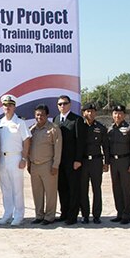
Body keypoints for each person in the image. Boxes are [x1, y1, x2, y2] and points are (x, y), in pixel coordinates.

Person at [0, 94, 31, 226]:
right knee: (5, 188)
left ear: (14, 106)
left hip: (16, 157)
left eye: (10, 105)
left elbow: (27, 140)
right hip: (2, 159)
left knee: (17, 188)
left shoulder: (20, 122)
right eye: (5, 105)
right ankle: (7, 213)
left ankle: (19, 214)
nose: (7, 107)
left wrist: (24, 158)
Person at [28, 104, 62, 225]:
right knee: (37, 192)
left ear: (47, 115)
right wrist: (28, 163)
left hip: (48, 165)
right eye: (37, 114)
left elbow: (58, 148)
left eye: (42, 114)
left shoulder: (53, 129)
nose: (39, 117)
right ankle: (39, 215)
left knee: (50, 192)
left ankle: (49, 216)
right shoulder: (32, 129)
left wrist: (55, 165)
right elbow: (28, 147)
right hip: (34, 165)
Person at [55, 95, 86, 225]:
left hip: (72, 162)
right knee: (62, 188)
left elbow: (80, 142)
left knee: (73, 189)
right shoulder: (56, 119)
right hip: (60, 161)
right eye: (60, 104)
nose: (62, 106)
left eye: (65, 103)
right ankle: (64, 213)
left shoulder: (77, 120)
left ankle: (72, 216)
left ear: (70, 104)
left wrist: (78, 160)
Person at [106, 104, 130, 224]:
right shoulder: (110, 129)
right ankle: (119, 212)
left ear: (124, 115)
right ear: (112, 115)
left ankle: (127, 214)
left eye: (120, 113)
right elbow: (107, 147)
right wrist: (107, 162)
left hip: (125, 161)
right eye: (115, 113)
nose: (117, 116)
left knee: (126, 188)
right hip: (114, 162)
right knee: (116, 188)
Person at [79, 103, 109, 224]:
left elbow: (106, 146)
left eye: (92, 111)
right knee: (83, 189)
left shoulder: (101, 128)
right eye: (88, 111)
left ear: (95, 113)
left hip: (96, 162)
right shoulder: (80, 126)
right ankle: (85, 215)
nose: (90, 114)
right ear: (83, 113)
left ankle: (96, 215)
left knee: (97, 189)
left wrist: (106, 162)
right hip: (83, 162)